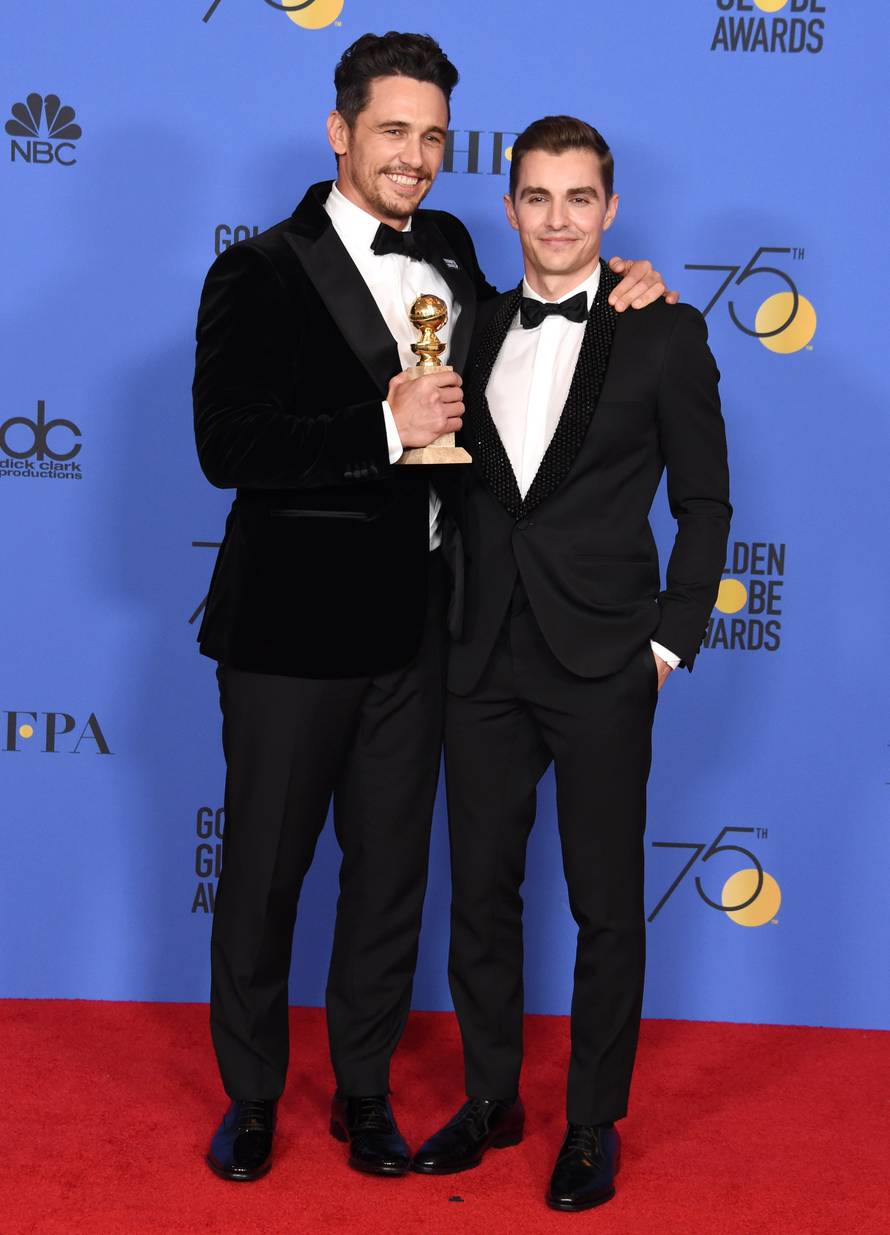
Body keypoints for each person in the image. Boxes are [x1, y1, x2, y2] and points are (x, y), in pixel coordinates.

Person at [192, 34, 669, 1184]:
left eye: (434, 137)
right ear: (340, 131)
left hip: (424, 632)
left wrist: (625, 291)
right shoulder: (257, 270)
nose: (414, 155)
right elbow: (229, 444)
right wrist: (380, 427)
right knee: (262, 871)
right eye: (393, 131)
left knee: (390, 874)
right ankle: (252, 1095)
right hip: (288, 636)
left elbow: (543, 334)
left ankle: (363, 1091)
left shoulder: (454, 248)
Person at [411, 116, 731, 1212]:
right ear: (506, 209)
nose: (556, 219)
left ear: (608, 209)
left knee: (603, 900)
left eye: (577, 198)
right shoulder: (469, 323)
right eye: (536, 197)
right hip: (480, 649)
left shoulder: (664, 333)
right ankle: (490, 1095)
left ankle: (590, 1121)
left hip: (602, 656)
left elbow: (703, 507)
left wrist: (662, 645)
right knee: (480, 893)